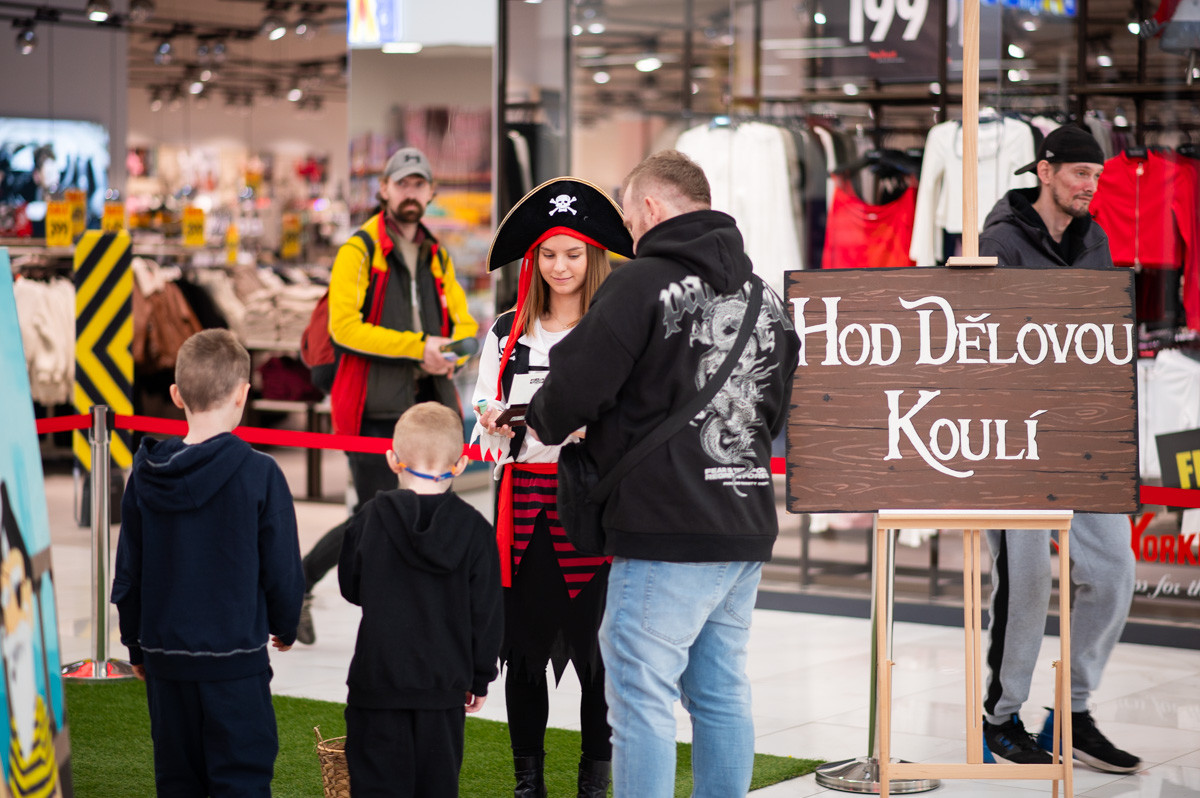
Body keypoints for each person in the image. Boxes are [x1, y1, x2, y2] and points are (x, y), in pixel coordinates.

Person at [524, 151, 800, 797]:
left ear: (650, 207)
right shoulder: (766, 296)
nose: (628, 230)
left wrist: (540, 419)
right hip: (744, 521)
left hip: (663, 525)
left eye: (627, 217)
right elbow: (774, 406)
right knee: (721, 692)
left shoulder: (640, 282)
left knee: (640, 696)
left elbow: (572, 390)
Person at [977, 123, 1141, 773]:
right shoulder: (998, 242)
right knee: (1025, 583)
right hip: (1014, 436)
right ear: (1045, 171)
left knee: (1114, 570)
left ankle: (1071, 711)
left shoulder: (1094, 239)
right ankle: (1001, 717)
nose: (1089, 186)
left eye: (1096, 176)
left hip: (1080, 431)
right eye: (1080, 173)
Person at [472, 178, 633, 798]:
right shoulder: (508, 329)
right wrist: (492, 417)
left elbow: (635, 414)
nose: (560, 266)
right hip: (523, 505)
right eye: (548, 254)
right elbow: (484, 399)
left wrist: (592, 428)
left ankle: (594, 782)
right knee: (524, 651)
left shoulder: (615, 326)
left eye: (573, 253)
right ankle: (528, 783)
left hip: (594, 502)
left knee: (599, 655)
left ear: (594, 257)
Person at [296, 146, 478, 645]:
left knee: (422, 510)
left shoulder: (438, 255)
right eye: (402, 183)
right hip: (373, 407)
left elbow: (463, 323)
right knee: (376, 514)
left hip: (429, 406)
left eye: (419, 184)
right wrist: (420, 349)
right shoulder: (359, 250)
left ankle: (412, 612)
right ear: (384, 190)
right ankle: (302, 583)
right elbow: (344, 327)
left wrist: (453, 353)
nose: (410, 193)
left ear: (430, 191)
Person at [112, 328, 305, 796]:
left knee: (177, 781)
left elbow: (128, 572)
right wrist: (286, 624)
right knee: (243, 778)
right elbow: (282, 568)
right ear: (243, 394)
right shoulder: (261, 473)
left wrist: (135, 644)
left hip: (165, 661)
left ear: (176, 395)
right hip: (235, 664)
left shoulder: (144, 475)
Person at [338, 401, 502, 797]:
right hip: (442, 691)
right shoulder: (476, 530)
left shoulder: (369, 518)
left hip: (376, 685)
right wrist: (480, 677)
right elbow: (487, 614)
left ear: (392, 459)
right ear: (461, 464)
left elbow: (351, 588)